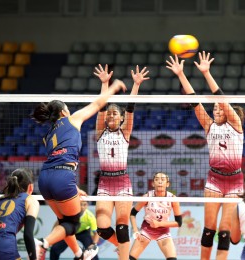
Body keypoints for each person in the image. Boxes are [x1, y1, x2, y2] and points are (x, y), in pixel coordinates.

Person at [31, 79, 126, 260]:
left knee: (64, 223)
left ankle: (79, 253)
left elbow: (57, 158)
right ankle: (43, 243)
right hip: (63, 176)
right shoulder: (72, 119)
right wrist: (113, 87)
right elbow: (98, 103)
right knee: (73, 224)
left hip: (45, 178)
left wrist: (74, 189)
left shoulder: (48, 134)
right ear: (63, 111)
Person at [166, 52, 245, 260]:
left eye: (220, 107)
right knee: (209, 229)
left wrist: (206, 73)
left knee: (224, 229)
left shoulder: (236, 125)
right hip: (214, 179)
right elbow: (195, 102)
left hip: (235, 181)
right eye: (215, 108)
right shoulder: (209, 125)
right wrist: (181, 75)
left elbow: (220, 97)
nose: (216, 109)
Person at [93, 64, 148, 260]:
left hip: (122, 182)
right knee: (101, 228)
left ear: (121, 117)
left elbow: (131, 108)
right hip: (105, 183)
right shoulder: (100, 132)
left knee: (122, 226)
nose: (110, 116)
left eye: (115, 113)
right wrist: (105, 83)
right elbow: (100, 106)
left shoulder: (125, 132)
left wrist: (136, 85)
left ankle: (124, 255)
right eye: (109, 114)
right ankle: (122, 247)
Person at [0, 168, 40, 260]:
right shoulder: (30, 200)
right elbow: (28, 235)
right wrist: (33, 258)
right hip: (4, 249)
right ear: (30, 187)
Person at [129, 172, 182, 260]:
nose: (160, 182)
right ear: (153, 183)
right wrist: (135, 230)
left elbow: (178, 223)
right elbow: (132, 214)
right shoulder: (147, 197)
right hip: (146, 231)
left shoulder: (173, 199)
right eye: (157, 180)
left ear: (167, 184)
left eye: (163, 180)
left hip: (163, 232)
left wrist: (159, 224)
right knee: (130, 258)